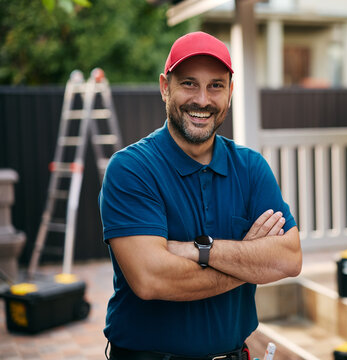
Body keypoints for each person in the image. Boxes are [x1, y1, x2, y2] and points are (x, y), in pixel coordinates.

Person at [99, 31, 302, 360]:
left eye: (216, 86)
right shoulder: (132, 169)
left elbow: (290, 259)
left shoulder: (250, 168)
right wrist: (250, 260)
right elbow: (152, 279)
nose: (203, 100)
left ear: (230, 92)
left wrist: (197, 251)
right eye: (189, 83)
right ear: (165, 87)